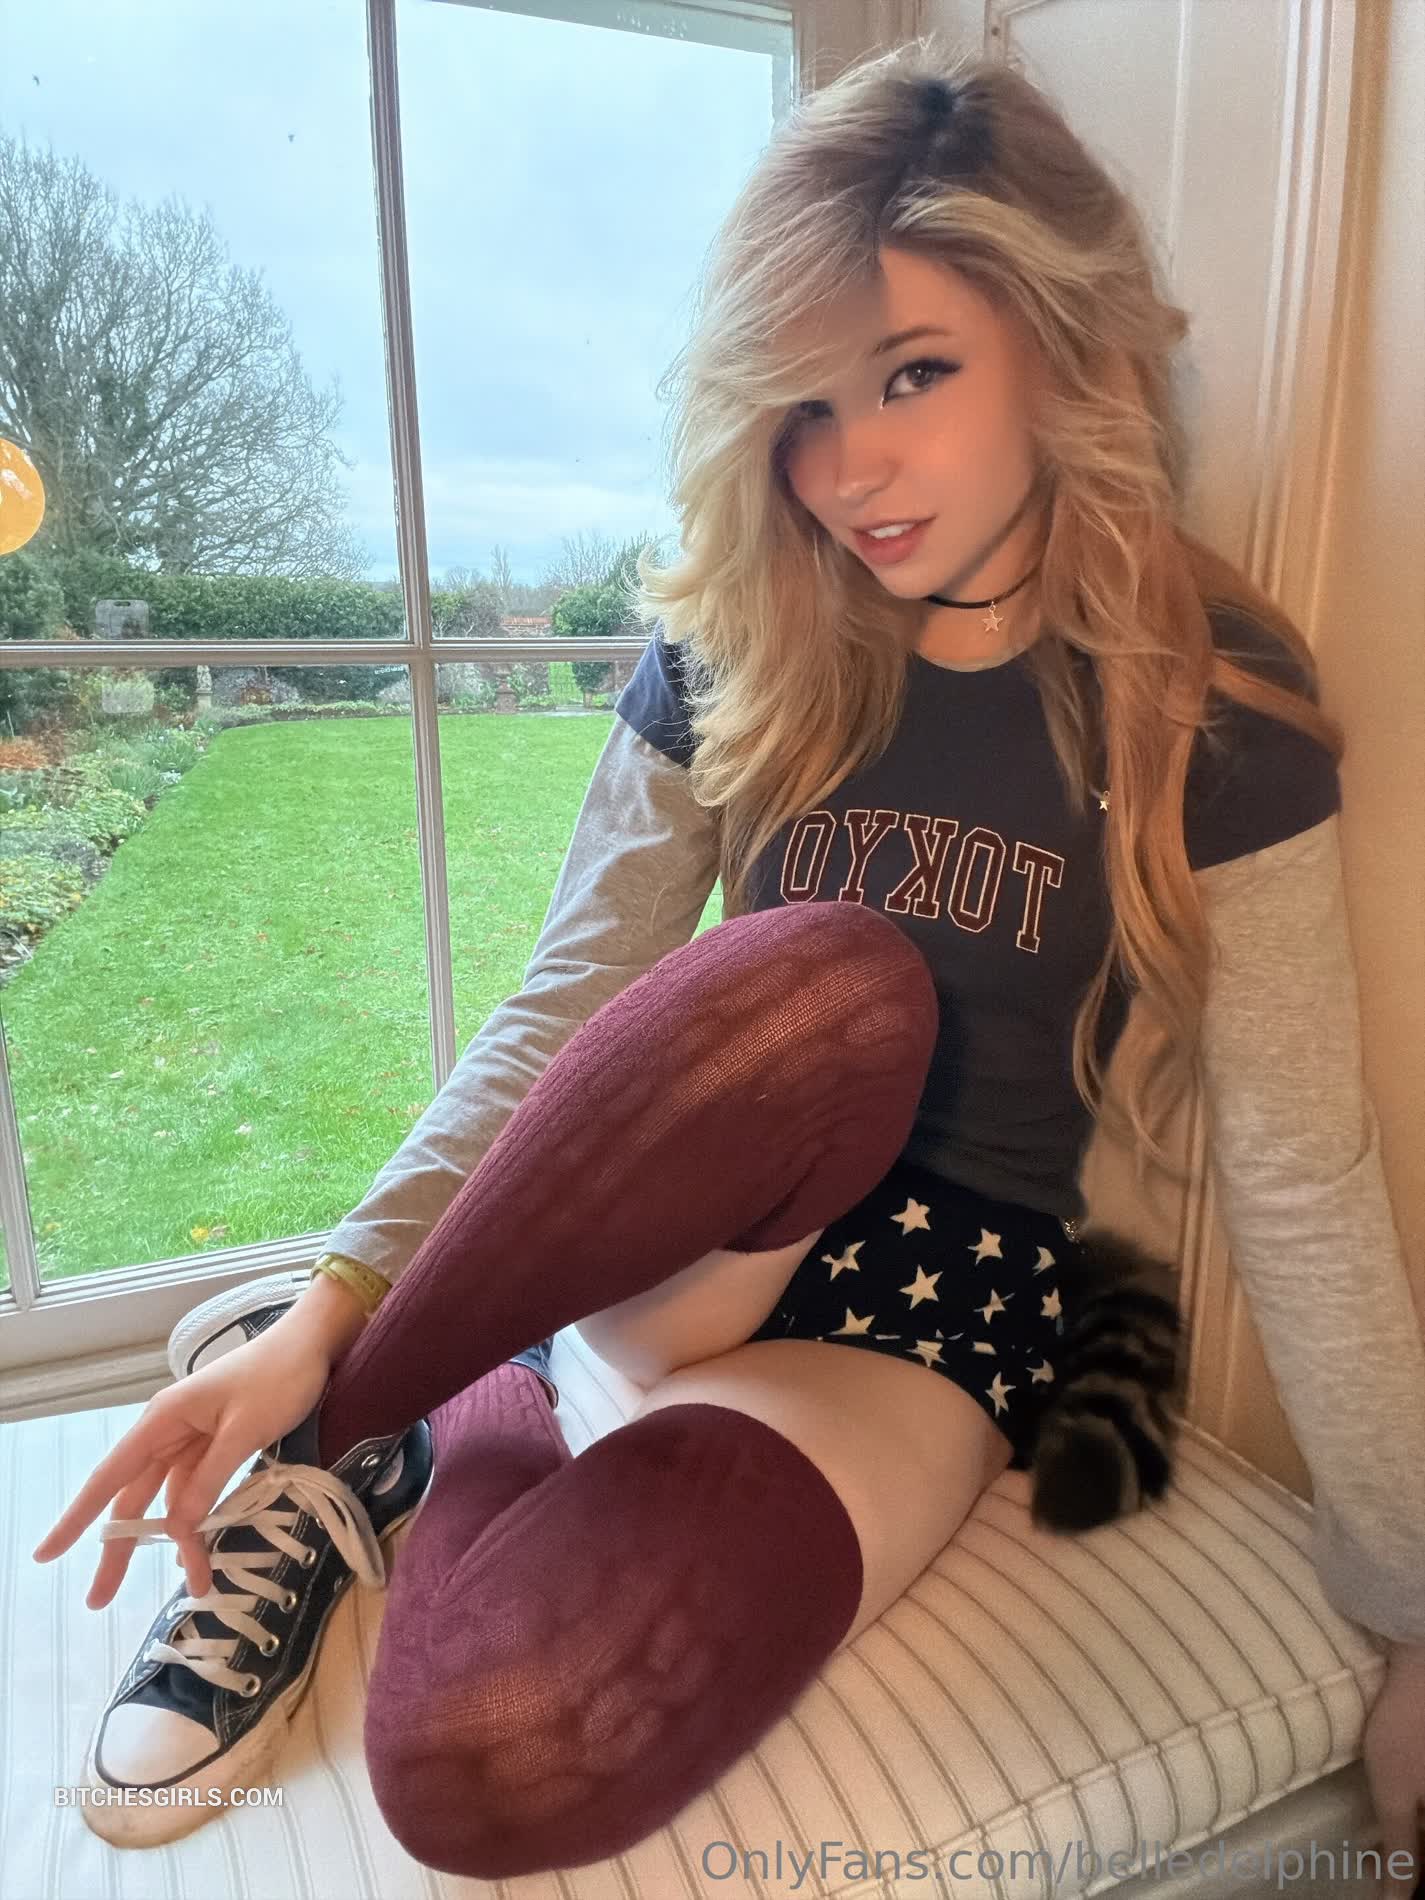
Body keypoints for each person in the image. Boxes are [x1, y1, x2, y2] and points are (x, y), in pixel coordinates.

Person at [32, 39, 1425, 1888]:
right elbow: (566, 1005)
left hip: (922, 1310)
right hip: (694, 1229)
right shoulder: (738, 640)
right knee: (831, 992)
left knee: (494, 1758)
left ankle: (434, 1425)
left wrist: (1411, 1614)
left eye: (912, 375)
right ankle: (337, 1410)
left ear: (1061, 347)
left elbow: (1300, 1169)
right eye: (802, 406)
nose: (849, 470)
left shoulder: (1206, 705)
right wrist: (327, 1311)